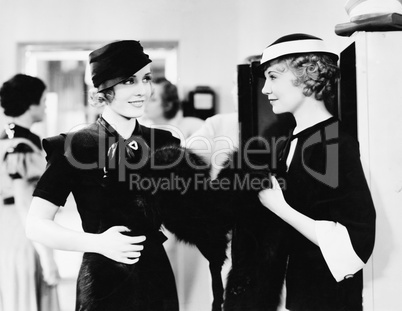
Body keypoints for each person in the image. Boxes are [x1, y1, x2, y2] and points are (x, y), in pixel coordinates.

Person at [26, 40, 182, 311]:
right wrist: (97, 242)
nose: (143, 90)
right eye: (130, 81)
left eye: (146, 79)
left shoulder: (164, 142)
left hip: (156, 278)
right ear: (104, 91)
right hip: (103, 282)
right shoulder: (73, 146)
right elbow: (36, 225)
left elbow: (184, 210)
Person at [256, 33, 376, 310]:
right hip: (299, 293)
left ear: (308, 76)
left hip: (327, 299)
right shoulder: (291, 140)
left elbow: (356, 241)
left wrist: (279, 207)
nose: (264, 89)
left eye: (273, 77)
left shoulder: (332, 142)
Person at [0, 74, 60, 311]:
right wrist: (48, 259)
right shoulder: (21, 147)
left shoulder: (6, 140)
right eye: (43, 99)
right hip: (22, 235)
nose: (45, 104)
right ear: (31, 102)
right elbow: (27, 206)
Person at [140, 77, 204, 142]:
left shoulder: (194, 126)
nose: (145, 103)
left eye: (152, 99)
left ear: (168, 105)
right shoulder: (141, 128)